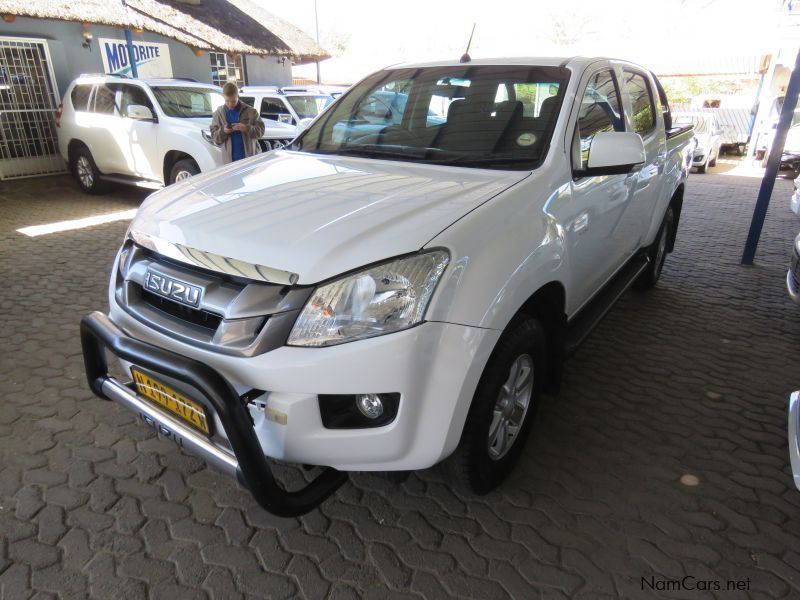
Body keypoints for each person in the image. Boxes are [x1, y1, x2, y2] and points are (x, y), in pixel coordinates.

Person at [210, 81, 265, 163]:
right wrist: (223, 131)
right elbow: (215, 138)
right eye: (227, 101)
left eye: (233, 101)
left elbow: (261, 131)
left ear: (238, 96)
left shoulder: (251, 111)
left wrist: (247, 128)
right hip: (229, 163)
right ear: (223, 97)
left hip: (250, 159)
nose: (230, 104)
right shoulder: (218, 114)